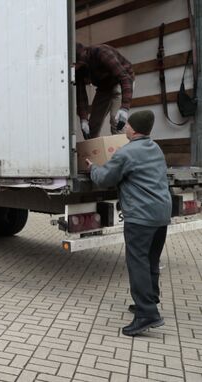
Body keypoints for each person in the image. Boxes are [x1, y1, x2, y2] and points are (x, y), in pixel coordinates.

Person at [86, 110, 171, 337]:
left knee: (138, 263)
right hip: (161, 214)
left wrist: (92, 167)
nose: (124, 128)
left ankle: (147, 314)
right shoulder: (155, 148)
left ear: (133, 129)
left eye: (127, 125)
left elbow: (105, 178)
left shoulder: (127, 153)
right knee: (151, 260)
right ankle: (149, 300)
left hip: (141, 217)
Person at [76, 42, 135, 139]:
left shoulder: (101, 52)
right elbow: (80, 94)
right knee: (92, 126)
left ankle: (123, 152)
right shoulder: (78, 69)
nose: (77, 67)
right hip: (104, 87)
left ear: (84, 54)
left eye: (78, 64)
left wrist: (124, 108)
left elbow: (124, 78)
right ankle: (94, 152)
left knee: (116, 120)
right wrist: (84, 119)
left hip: (121, 81)